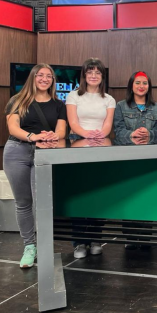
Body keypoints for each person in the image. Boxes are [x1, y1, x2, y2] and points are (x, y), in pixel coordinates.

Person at [3, 64, 67, 268]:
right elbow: (12, 127)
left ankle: (45, 245)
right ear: (33, 77)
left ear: (53, 81)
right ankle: (29, 246)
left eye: (49, 76)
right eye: (40, 75)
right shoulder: (17, 100)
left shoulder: (58, 104)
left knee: (43, 203)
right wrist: (33, 136)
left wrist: (52, 136)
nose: (45, 79)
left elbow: (62, 130)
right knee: (23, 202)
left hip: (45, 153)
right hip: (17, 151)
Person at [66, 58, 116, 259]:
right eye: (90, 72)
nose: (94, 75)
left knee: (98, 195)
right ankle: (79, 243)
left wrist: (98, 136)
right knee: (79, 194)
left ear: (102, 76)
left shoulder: (109, 99)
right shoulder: (73, 96)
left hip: (101, 148)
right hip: (77, 146)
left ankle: (95, 239)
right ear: (84, 75)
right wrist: (87, 135)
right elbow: (73, 122)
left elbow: (107, 125)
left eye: (98, 72)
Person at [114, 71, 157, 145]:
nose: (141, 86)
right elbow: (118, 130)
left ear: (149, 87)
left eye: (145, 83)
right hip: (127, 150)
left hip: (150, 150)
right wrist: (132, 134)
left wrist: (149, 133)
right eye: (137, 83)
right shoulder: (121, 106)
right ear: (131, 86)